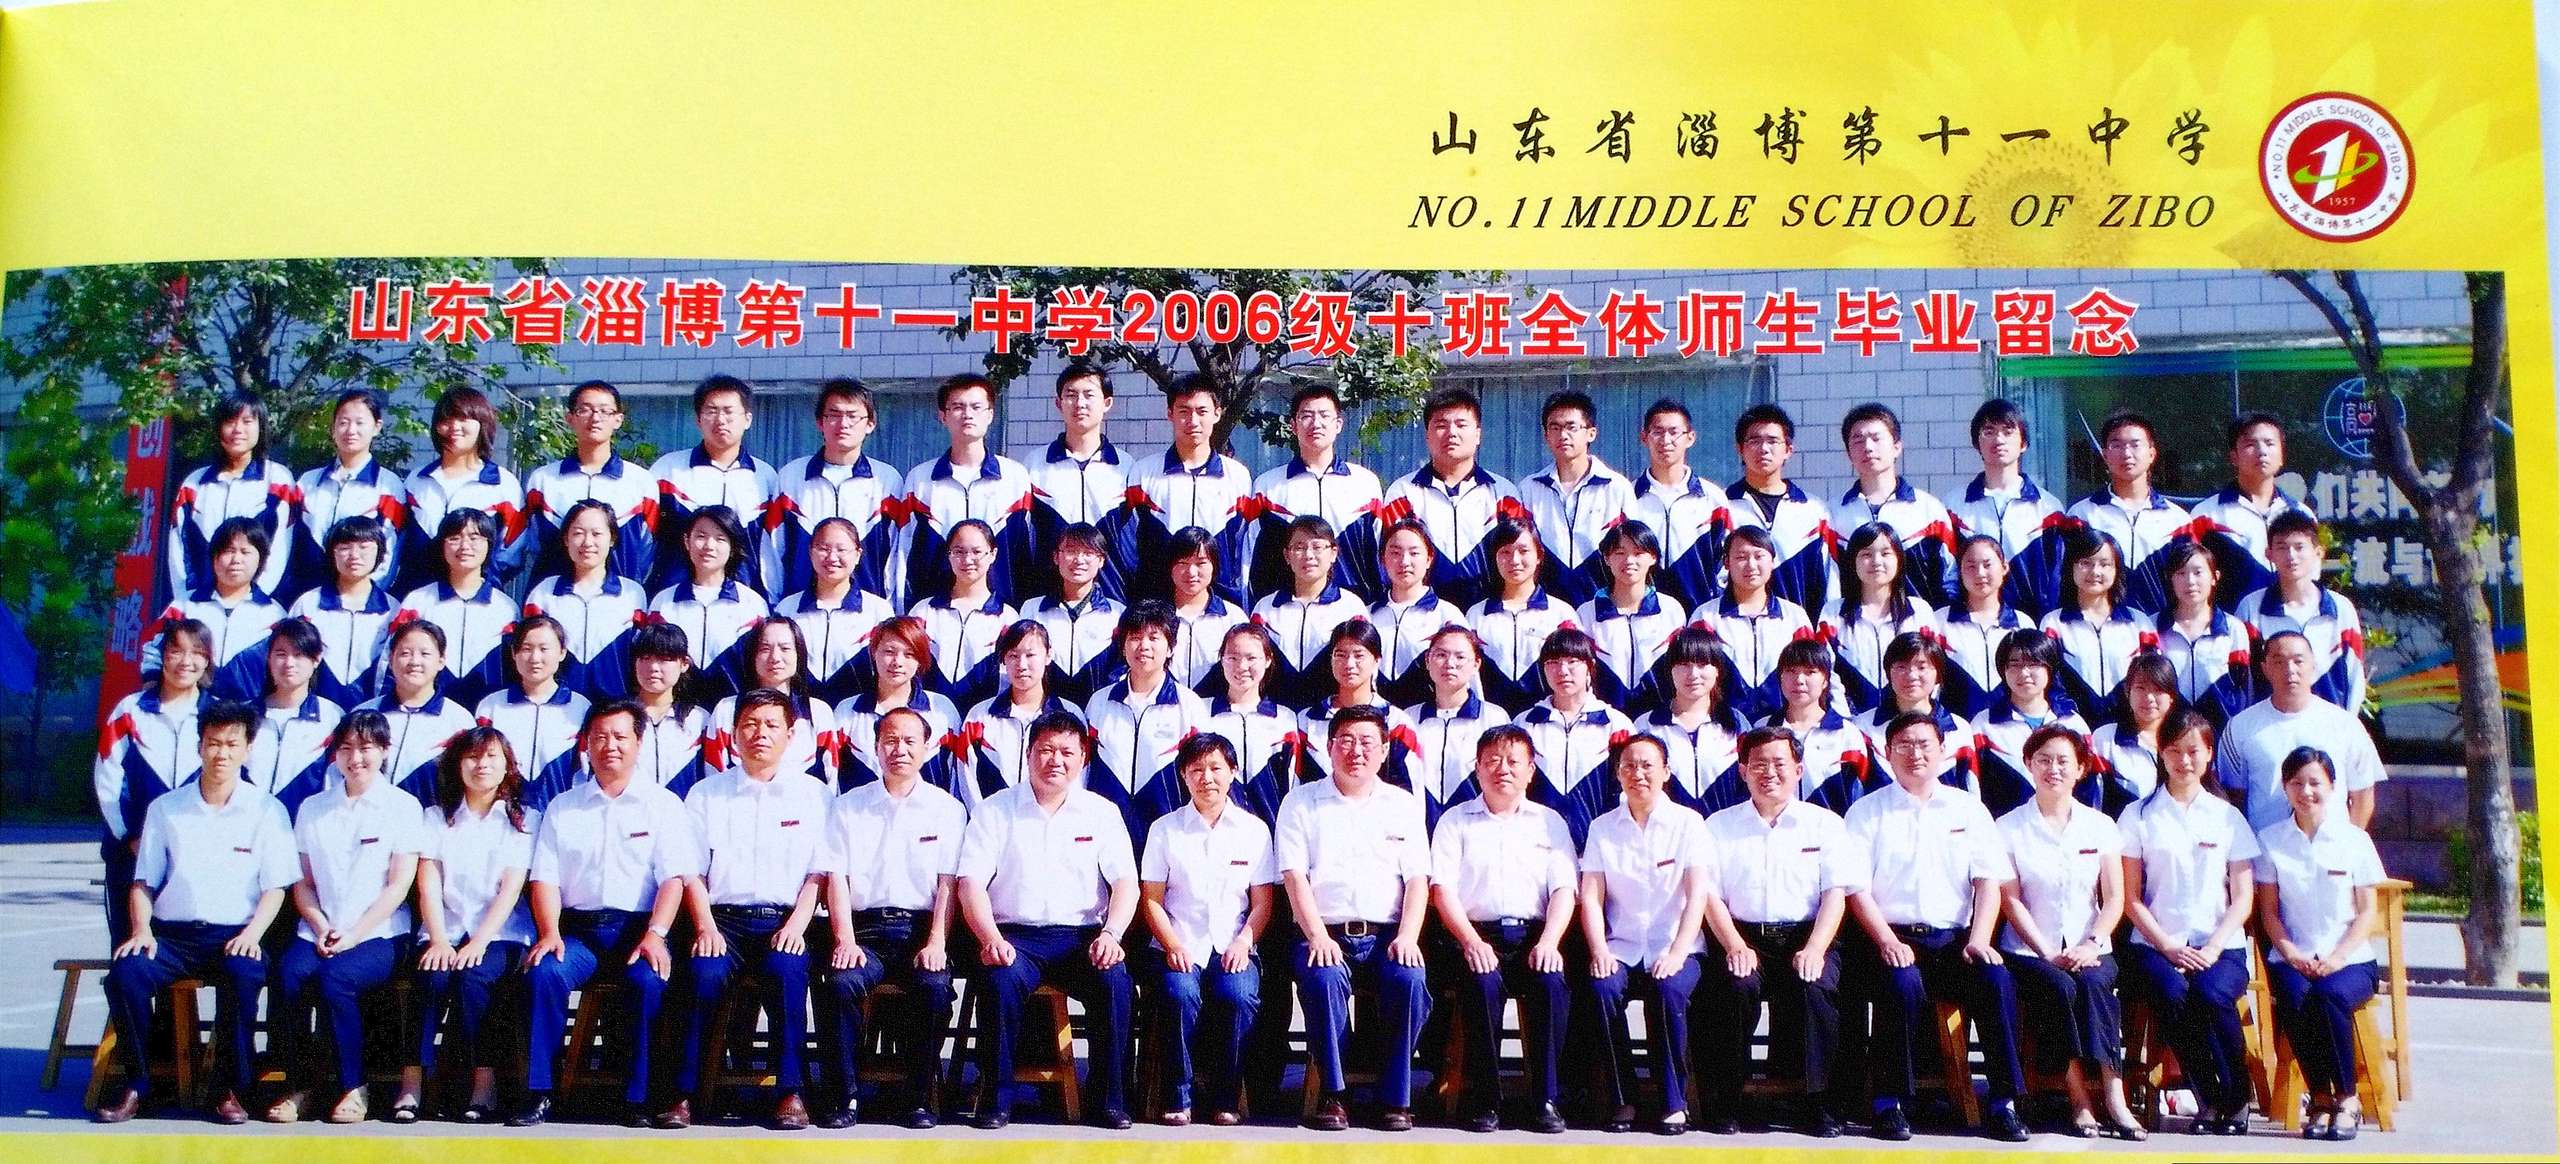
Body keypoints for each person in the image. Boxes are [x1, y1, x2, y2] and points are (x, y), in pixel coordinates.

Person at [94, 700, 297, 1125]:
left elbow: (275, 888)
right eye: (213, 743)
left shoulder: (267, 810)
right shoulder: (166, 808)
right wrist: (142, 930)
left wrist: (252, 935)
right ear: (199, 746)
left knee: (244, 976)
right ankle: (139, 1084)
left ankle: (229, 1089)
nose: (221, 753)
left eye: (232, 744)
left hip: (235, 934)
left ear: (248, 749)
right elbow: (143, 881)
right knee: (126, 975)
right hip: (173, 936)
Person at [508, 701, 700, 1128]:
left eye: (619, 736)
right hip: (579, 934)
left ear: (638, 742)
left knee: (649, 981)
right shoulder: (563, 806)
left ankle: (638, 1097)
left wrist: (656, 934)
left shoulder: (662, 804)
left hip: (639, 930)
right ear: (586, 744)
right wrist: (549, 932)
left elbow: (673, 880)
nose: (609, 745)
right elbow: (545, 879)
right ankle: (540, 1091)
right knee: (543, 974)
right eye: (600, 737)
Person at [1843, 712, 2031, 1142]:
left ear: (1943, 750)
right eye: (1904, 745)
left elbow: (1988, 882)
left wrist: (1979, 939)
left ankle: (2004, 1102)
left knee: (1995, 979)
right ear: (1887, 752)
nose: (1915, 753)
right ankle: (1890, 1102)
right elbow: (1856, 889)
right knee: (1901, 983)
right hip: (1889, 937)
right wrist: (1886, 940)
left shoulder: (1968, 809)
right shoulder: (1866, 812)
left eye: (1924, 744)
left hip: (1954, 942)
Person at [954, 710, 1140, 1129]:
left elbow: (1125, 884)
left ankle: (1108, 1101)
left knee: (1114, 981)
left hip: (1082, 938)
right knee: (999, 979)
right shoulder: (995, 810)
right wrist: (990, 938)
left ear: (1083, 758)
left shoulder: (1101, 812)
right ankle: (996, 1100)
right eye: (1046, 750)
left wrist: (1112, 934)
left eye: (1067, 752)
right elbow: (971, 884)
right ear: (1028, 754)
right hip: (1014, 938)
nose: (1056, 760)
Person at [665, 689, 832, 1130]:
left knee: (787, 972)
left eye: (772, 725)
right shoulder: (706, 794)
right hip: (723, 922)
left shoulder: (814, 795)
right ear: (734, 734)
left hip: (787, 920)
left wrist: (797, 925)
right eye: (750, 725)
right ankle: (685, 1093)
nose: (760, 734)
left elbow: (819, 873)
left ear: (791, 734)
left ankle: (790, 1092)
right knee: (702, 974)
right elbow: (692, 872)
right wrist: (705, 927)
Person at [1276, 705, 1433, 1132]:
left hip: (1387, 935)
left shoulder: (1402, 804)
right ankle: (1335, 1093)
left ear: (1384, 751)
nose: (1356, 751)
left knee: (1410, 980)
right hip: (1323, 931)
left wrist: (1408, 936)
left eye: (1367, 742)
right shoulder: (1301, 801)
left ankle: (1395, 1097)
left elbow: (1417, 880)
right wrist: (1316, 935)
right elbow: (1294, 877)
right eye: (1345, 741)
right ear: (1329, 747)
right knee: (1322, 978)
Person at [1697, 725, 1856, 1137]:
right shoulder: (1718, 826)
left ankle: (1819, 1102)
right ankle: (1727, 1101)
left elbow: (1835, 894)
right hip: (1742, 935)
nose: (1769, 772)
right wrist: (1734, 945)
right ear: (1743, 771)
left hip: (1807, 935)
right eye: (1758, 764)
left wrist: (1816, 948)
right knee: (1734, 987)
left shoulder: (1825, 824)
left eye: (1779, 763)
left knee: (1816, 988)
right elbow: (1710, 896)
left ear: (1798, 770)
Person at [267, 711, 424, 1124]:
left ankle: (354, 1087)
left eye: (367, 748)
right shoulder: (313, 808)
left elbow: (399, 885)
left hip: (380, 933)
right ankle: (299, 1084)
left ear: (385, 751)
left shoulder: (403, 807)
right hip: (318, 929)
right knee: (289, 975)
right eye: (347, 748)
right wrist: (321, 925)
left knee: (337, 978)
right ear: (335, 754)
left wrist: (354, 934)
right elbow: (302, 882)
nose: (356, 758)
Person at [815, 707, 965, 1130]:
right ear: (876, 747)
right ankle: (843, 1097)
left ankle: (917, 1099)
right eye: (891, 741)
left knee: (934, 989)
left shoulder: (947, 809)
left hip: (920, 931)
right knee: (840, 985)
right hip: (863, 931)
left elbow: (948, 885)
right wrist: (844, 940)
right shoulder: (848, 806)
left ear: (927, 747)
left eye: (910, 741)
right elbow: (837, 879)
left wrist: (937, 942)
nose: (900, 749)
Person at [1995, 726, 2145, 1139]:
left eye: (2063, 761)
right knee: (2058, 987)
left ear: (2081, 769)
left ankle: (2114, 1095)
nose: (2053, 769)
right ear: (2028, 765)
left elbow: (2114, 898)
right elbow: (2011, 901)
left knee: (2095, 984)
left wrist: (2092, 943)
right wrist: (2046, 951)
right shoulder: (2008, 827)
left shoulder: (2100, 825)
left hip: (2091, 946)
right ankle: (2078, 1097)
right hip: (2030, 951)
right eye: (2043, 760)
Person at [2118, 707, 2259, 1136]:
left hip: (2220, 945)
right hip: (2156, 945)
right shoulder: (2138, 815)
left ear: (2209, 754)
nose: (2184, 761)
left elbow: (2243, 897)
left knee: (2212, 995)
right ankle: (2211, 1098)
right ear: (2161, 753)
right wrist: (2166, 945)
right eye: (2174, 751)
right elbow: (2130, 898)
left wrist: (2213, 946)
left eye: (2194, 751)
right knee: (2172, 992)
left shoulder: (2228, 817)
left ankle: (2238, 1096)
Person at [1429, 725, 1576, 1134]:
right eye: (1492, 761)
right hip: (1473, 935)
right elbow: (1442, 890)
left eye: (1513, 762)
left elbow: (1564, 889)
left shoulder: (1549, 822)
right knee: (1481, 984)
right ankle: (1485, 1099)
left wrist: (1550, 941)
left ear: (1531, 771)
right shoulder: (1455, 820)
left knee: (1551, 983)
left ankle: (1545, 1099)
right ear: (1477, 768)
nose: (1503, 769)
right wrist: (1471, 941)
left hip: (1534, 937)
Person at [1137, 732, 1277, 1127]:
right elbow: (1151, 900)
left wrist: (1244, 941)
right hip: (1178, 942)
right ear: (1183, 775)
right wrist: (1171, 944)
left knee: (1237, 996)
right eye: (1196, 769)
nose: (1207, 778)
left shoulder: (1254, 830)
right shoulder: (1165, 830)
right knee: (1177, 993)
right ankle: (1177, 1097)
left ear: (1233, 772)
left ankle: (1224, 1096)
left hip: (1234, 944)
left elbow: (1263, 903)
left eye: (1216, 768)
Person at [1578, 732, 1714, 1135]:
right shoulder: (1603, 827)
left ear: (1666, 772)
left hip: (1677, 946)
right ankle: (1623, 1098)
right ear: (1618, 773)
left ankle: (1673, 1102)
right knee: (1601, 988)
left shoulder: (1688, 823)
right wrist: (1599, 950)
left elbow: (1697, 895)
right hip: (1621, 946)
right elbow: (1591, 896)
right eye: (1629, 766)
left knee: (1668, 990)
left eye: (1647, 765)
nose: (1638, 773)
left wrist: (1677, 952)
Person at [404, 725, 537, 1124]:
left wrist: (479, 941)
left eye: (492, 757)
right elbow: (428, 884)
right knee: (431, 977)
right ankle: (411, 1085)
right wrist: (439, 940)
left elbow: (511, 889)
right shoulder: (435, 817)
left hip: (501, 933)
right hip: (444, 929)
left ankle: (483, 1085)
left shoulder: (524, 819)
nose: (482, 765)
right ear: (457, 765)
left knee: (475, 979)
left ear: (507, 765)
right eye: (473, 757)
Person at [2254, 746, 2389, 1141]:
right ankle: (2320, 1098)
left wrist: (2337, 958)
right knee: (2295, 997)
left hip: (2351, 960)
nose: (2306, 791)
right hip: (2293, 956)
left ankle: (2347, 1098)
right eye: (2297, 783)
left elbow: (2367, 911)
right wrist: (2292, 954)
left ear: (2332, 786)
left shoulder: (2355, 841)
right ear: (2285, 787)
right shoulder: (2271, 840)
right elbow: (2269, 912)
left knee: (2328, 996)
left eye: (2315, 782)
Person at [95, 619, 212, 946]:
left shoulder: (217, 714)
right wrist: (131, 836)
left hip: (197, 855)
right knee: (129, 950)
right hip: (131, 853)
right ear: (162, 656)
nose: (186, 661)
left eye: (197, 652)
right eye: (176, 651)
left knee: (187, 955)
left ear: (207, 661)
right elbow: (108, 780)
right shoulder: (129, 711)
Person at [1109, 372, 1255, 606]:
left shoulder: (1238, 476)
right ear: (1170, 414)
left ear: (1217, 413)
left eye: (1202, 411)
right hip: (1156, 602)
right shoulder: (1143, 473)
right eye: (1184, 411)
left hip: (1221, 602)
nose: (1193, 421)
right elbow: (1128, 546)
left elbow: (1244, 545)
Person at [2218, 631, 2387, 833]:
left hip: (2330, 847)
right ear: (2265, 668)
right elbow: (2233, 798)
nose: (2290, 670)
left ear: (2313, 665)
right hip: (2265, 848)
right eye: (2279, 662)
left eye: (2298, 661)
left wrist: (2347, 846)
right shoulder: (2240, 727)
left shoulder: (2346, 725)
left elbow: (2362, 796)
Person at [893, 374, 1034, 610]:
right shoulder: (920, 480)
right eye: (957, 407)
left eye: (976, 407)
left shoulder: (1015, 477)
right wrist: (904, 610)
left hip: (1001, 611)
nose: (967, 414)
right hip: (934, 611)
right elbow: (904, 552)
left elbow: (1026, 551)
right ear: (943, 416)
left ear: (990, 414)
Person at [1379, 386, 1523, 609]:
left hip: (1489, 612)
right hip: (1423, 612)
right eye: (1441, 425)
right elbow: (1390, 558)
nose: (1451, 433)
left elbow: (1520, 557)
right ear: (1427, 435)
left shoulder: (1503, 493)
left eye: (1461, 424)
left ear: (1478, 434)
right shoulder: (1403, 493)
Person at [764, 378, 903, 601]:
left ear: (870, 424)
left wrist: (891, 608)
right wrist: (775, 605)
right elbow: (772, 550)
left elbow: (897, 553)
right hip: (800, 607)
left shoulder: (887, 481)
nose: (843, 423)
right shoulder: (791, 477)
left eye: (853, 416)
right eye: (834, 415)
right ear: (820, 422)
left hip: (868, 609)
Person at [1248, 384, 1387, 603]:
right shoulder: (1267, 487)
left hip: (1353, 607)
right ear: (1293, 426)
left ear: (1338, 424)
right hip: (1287, 607)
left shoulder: (1365, 484)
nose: (1316, 423)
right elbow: (1250, 558)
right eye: (1306, 416)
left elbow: (1379, 552)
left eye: (1324, 415)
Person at [1084, 600, 1209, 837]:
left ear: (1170, 648)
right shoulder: (1099, 702)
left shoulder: (1189, 705)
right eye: (1134, 638)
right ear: (1122, 647)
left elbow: (1202, 772)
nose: (1143, 646)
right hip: (1104, 831)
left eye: (1154, 638)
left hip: (1169, 831)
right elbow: (1084, 770)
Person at [647, 374, 781, 593]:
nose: (720, 420)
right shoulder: (668, 471)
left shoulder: (765, 477)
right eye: (711, 411)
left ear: (747, 419)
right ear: (698, 419)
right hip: (676, 596)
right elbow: (645, 540)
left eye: (729, 411)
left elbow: (772, 549)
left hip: (744, 597)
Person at [525, 380, 658, 588]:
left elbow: (646, 550)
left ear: (618, 420)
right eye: (585, 410)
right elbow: (533, 546)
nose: (595, 418)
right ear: (570, 418)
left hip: (621, 597)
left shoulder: (640, 482)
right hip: (552, 596)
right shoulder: (542, 480)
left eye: (605, 411)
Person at [2236, 511, 2369, 716]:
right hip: (2270, 725)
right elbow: (2244, 680)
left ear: (2318, 552)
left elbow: (2355, 675)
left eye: (2299, 547)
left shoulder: (2340, 609)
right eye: (2282, 547)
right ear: (2269, 554)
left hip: (2330, 725)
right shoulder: (2251, 608)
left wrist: (2346, 724)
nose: (2291, 556)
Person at [396, 387, 529, 593]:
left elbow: (513, 550)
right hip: (415, 597)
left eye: (463, 418)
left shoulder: (502, 484)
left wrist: (482, 583)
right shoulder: (416, 480)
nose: (454, 427)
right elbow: (397, 542)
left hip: (477, 599)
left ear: (483, 423)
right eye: (445, 420)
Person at [144, 516, 288, 703]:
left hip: (248, 713)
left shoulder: (275, 615)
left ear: (261, 560)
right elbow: (153, 653)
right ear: (214, 558)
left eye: (245, 552)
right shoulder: (184, 606)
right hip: (189, 709)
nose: (236, 559)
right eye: (229, 551)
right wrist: (153, 694)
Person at [1711, 403, 1836, 617]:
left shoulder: (1813, 511)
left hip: (1798, 628)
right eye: (1754, 441)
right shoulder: (1722, 507)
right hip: (1735, 626)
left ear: (1788, 449)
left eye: (1772, 441)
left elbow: (1828, 580)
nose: (1763, 449)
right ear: (1740, 449)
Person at [169, 390, 295, 600]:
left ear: (261, 427)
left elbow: (281, 545)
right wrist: (186, 599)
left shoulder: (277, 479)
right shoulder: (194, 484)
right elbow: (178, 546)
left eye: (247, 421)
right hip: (199, 602)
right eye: (230, 421)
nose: (238, 429)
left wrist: (253, 598)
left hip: (256, 603)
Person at [2063, 410, 2192, 614]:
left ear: (2152, 454)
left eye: (2135, 444)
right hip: (2100, 625)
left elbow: (2187, 582)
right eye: (2117, 445)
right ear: (2105, 455)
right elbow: (2069, 581)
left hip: (2160, 628)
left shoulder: (2177, 520)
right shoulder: (2082, 515)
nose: (2126, 453)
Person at [1021, 361, 1129, 604]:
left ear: (1107, 403)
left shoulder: (1127, 468)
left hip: (1112, 595)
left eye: (1089, 395)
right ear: (1058, 403)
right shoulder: (1034, 465)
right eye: (1071, 395)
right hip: (1047, 595)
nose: (1080, 403)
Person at [1518, 389, 1637, 607]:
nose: (1563, 435)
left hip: (1604, 607)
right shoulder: (1529, 489)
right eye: (1555, 428)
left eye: (1572, 427)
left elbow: (1635, 551)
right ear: (1546, 435)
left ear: (1591, 433)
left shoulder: (1616, 487)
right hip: (1545, 608)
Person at [1947, 399, 2066, 619]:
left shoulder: (2048, 508)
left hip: (2032, 626)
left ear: (2024, 443)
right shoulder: (1954, 506)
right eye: (1989, 431)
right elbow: (1948, 575)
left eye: (2008, 431)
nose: (1999, 439)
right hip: (1970, 624)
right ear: (1976, 443)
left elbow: (2057, 578)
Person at [1832, 403, 1958, 606]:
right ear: (1848, 453)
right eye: (1858, 440)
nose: (1868, 447)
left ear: (1897, 447)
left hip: (1917, 624)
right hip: (1854, 624)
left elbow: (1950, 581)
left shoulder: (1928, 511)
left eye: (1876, 438)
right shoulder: (1833, 515)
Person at [522, 498, 648, 701]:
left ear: (612, 538)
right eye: (578, 533)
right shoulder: (543, 593)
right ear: (566, 539)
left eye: (597, 534)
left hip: (614, 708)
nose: (587, 542)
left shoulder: (633, 595)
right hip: (557, 706)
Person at [284, 388, 402, 602]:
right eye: (343, 422)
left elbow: (389, 554)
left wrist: (362, 598)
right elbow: (289, 544)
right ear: (333, 428)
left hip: (360, 602)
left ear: (377, 427)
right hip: (307, 597)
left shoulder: (388, 485)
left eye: (360, 422)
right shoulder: (307, 482)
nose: (350, 430)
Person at [1515, 627, 1634, 840]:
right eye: (1553, 662)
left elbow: (1629, 791)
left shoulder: (1616, 724)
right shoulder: (1524, 724)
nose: (1562, 670)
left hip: (1600, 843)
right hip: (1536, 843)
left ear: (1590, 667)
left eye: (1572, 661)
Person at [391, 508, 515, 707]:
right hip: (426, 709)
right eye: (454, 538)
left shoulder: (506, 608)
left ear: (489, 545)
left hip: (487, 710)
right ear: (442, 545)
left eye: (475, 538)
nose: (465, 546)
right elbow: (391, 659)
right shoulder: (418, 601)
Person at [2188, 411, 2313, 605]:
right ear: (2234, 457)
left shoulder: (2301, 514)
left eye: (2270, 443)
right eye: (2250, 444)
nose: (2262, 451)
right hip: (2232, 620)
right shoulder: (2206, 515)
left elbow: (2311, 576)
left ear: (2282, 455)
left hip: (2290, 620)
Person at [949, 619, 1079, 804]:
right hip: (992, 819)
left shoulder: (1070, 715)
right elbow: (966, 779)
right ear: (1003, 659)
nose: (1022, 665)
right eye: (1013, 655)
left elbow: (1078, 777)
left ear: (1048, 655)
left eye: (1030, 655)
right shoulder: (979, 717)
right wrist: (984, 816)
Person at [647, 505, 770, 695]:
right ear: (687, 541)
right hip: (677, 708)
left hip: (733, 708)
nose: (709, 546)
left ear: (733, 547)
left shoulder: (753, 605)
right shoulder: (663, 603)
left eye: (720, 538)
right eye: (701, 536)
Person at [702, 616, 841, 785]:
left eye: (785, 648)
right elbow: (714, 779)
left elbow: (829, 784)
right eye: (765, 649)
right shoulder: (727, 710)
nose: (775, 657)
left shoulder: (818, 712)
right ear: (752, 655)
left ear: (799, 655)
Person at [1697, 525, 1814, 723]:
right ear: (1726, 562)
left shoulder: (1794, 617)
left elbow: (1814, 671)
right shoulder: (1706, 617)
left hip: (1779, 728)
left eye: (1759, 556)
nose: (1751, 565)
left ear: (1773, 561)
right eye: (1741, 557)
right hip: (1723, 727)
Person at [1253, 515, 1371, 710]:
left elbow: (1364, 668)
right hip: (1276, 716)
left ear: (1333, 553)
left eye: (1317, 547)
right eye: (1299, 547)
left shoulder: (1351, 607)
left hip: (1329, 716)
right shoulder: (1265, 609)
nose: (1308, 555)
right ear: (1287, 555)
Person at [773, 515, 893, 706]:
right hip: (799, 713)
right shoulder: (787, 609)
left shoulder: (878, 611)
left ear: (857, 555)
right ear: (810, 553)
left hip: (856, 714)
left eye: (841, 549)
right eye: (823, 548)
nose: (832, 557)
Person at [1968, 629, 2091, 815]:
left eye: (2034, 664)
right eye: (2015, 665)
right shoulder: (1984, 726)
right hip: (2005, 826)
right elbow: (1972, 786)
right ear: (2003, 670)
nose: (2024, 673)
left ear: (2049, 668)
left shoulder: (2073, 723)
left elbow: (2089, 787)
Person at [1823, 521, 1940, 715]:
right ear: (1853, 561)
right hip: (1852, 724)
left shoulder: (1919, 611)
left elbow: (1933, 668)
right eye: (1866, 554)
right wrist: (1847, 719)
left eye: (1886, 553)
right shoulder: (1833, 613)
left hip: (1910, 721)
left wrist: (1916, 716)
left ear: (1899, 559)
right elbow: (1826, 672)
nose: (1876, 561)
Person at [833, 617, 960, 789]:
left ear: (920, 659)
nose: (897, 662)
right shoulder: (847, 711)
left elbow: (956, 774)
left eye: (909, 654)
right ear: (873, 653)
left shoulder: (942, 709)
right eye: (889, 652)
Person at [1574, 520, 1688, 713]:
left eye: (1638, 553)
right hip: (1603, 719)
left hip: (1659, 718)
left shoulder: (1671, 610)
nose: (1629, 561)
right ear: (1607, 558)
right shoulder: (1586, 614)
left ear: (1653, 557)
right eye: (1620, 553)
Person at [1404, 626, 1513, 827]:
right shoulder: (1408, 719)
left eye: (1460, 657)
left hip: (1477, 828)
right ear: (1427, 660)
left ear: (1476, 664)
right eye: (1441, 655)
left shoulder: (1494, 718)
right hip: (1417, 829)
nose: (1450, 664)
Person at [1464, 520, 1576, 714]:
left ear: (1539, 556)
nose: (1514, 560)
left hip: (1546, 720)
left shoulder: (1561, 614)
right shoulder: (1476, 615)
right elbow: (1467, 676)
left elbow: (1577, 671)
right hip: (1490, 721)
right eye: (1505, 552)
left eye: (1524, 551)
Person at [908, 518, 1019, 711]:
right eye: (959, 552)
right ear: (948, 555)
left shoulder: (1007, 618)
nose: (967, 560)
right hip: (930, 716)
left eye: (976, 552)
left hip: (984, 719)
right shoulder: (923, 611)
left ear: (993, 554)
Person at [286, 515, 396, 707]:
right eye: (344, 547)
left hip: (373, 711)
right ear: (332, 553)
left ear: (380, 553)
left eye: (364, 547)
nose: (354, 555)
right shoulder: (308, 604)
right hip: (315, 709)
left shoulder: (392, 610)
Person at [363, 620, 478, 799]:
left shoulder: (459, 721)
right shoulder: (365, 714)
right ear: (391, 660)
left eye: (425, 654)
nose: (414, 662)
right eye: (405, 653)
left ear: (441, 661)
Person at [1636, 625, 1746, 812]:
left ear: (1717, 670)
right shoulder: (1645, 725)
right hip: (1667, 828)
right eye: (1684, 665)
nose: (1693, 674)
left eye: (1702, 664)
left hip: (1727, 826)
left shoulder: (1737, 722)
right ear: (1670, 670)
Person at [1629, 398, 1725, 610]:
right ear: (1644, 437)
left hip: (1700, 616)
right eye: (1657, 432)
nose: (1665, 440)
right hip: (1644, 614)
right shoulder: (1628, 497)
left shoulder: (1712, 499)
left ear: (1690, 438)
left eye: (1674, 432)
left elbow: (1725, 563)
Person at [1763, 639, 1879, 814]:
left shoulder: (1846, 734)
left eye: (1810, 672)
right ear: (1780, 677)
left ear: (1825, 680)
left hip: (1829, 829)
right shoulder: (1762, 729)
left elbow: (1857, 799)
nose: (1799, 680)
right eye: (1791, 671)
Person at [474, 614, 592, 786]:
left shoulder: (581, 707)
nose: (535, 658)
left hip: (564, 801)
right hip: (504, 802)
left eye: (544, 649)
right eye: (526, 649)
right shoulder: (491, 706)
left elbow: (586, 768)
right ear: (514, 653)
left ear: (562, 653)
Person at [2041, 528, 2147, 718]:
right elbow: (2048, 682)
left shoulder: (2138, 623)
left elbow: (2153, 679)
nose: (2095, 571)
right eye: (2085, 563)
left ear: (2117, 569)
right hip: (2071, 726)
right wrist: (2070, 720)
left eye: (2105, 564)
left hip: (2128, 727)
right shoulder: (2053, 623)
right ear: (2071, 566)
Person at [2152, 539, 2259, 725]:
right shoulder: (2153, 626)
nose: (2190, 581)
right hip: (2168, 730)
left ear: (2214, 577)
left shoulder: (2232, 628)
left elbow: (2243, 689)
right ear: (2170, 579)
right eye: (2181, 573)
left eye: (2198, 572)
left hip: (2220, 729)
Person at [246, 618, 344, 815]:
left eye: (299, 655)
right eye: (281, 654)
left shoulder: (333, 718)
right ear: (268, 658)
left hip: (304, 822)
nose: (289, 663)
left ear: (316, 659)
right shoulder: (244, 715)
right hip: (246, 821)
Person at [1019, 522, 1126, 703]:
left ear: (1101, 560)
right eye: (1070, 551)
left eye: (1088, 553)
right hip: (1045, 709)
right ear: (1056, 557)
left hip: (1100, 708)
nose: (1079, 560)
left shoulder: (1117, 613)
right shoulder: (1032, 609)